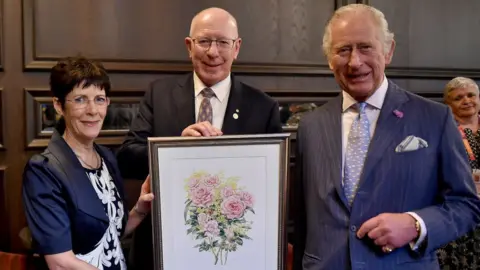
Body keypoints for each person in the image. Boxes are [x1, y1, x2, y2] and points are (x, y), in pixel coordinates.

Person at [292, 4, 480, 270]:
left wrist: (416, 224)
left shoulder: (435, 119)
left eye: (365, 47)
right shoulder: (310, 126)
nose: (355, 62)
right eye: (343, 50)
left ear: (388, 51)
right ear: (329, 58)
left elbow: (467, 205)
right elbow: (301, 220)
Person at [116, 7, 282, 269]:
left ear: (236, 48)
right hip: (164, 243)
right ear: (189, 46)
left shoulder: (263, 107)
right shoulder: (159, 95)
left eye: (223, 43)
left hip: (234, 249)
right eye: (204, 41)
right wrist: (174, 148)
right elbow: (127, 157)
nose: (213, 52)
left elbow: (272, 186)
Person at [22, 57, 154, 270]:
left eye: (100, 99)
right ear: (58, 105)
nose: (93, 110)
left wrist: (139, 210)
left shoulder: (107, 158)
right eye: (81, 99)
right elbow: (59, 263)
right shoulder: (43, 171)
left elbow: (111, 234)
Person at [437, 77, 480, 270]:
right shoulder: (441, 130)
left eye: (471, 95)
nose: (466, 101)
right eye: (458, 98)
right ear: (448, 103)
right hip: (460, 208)